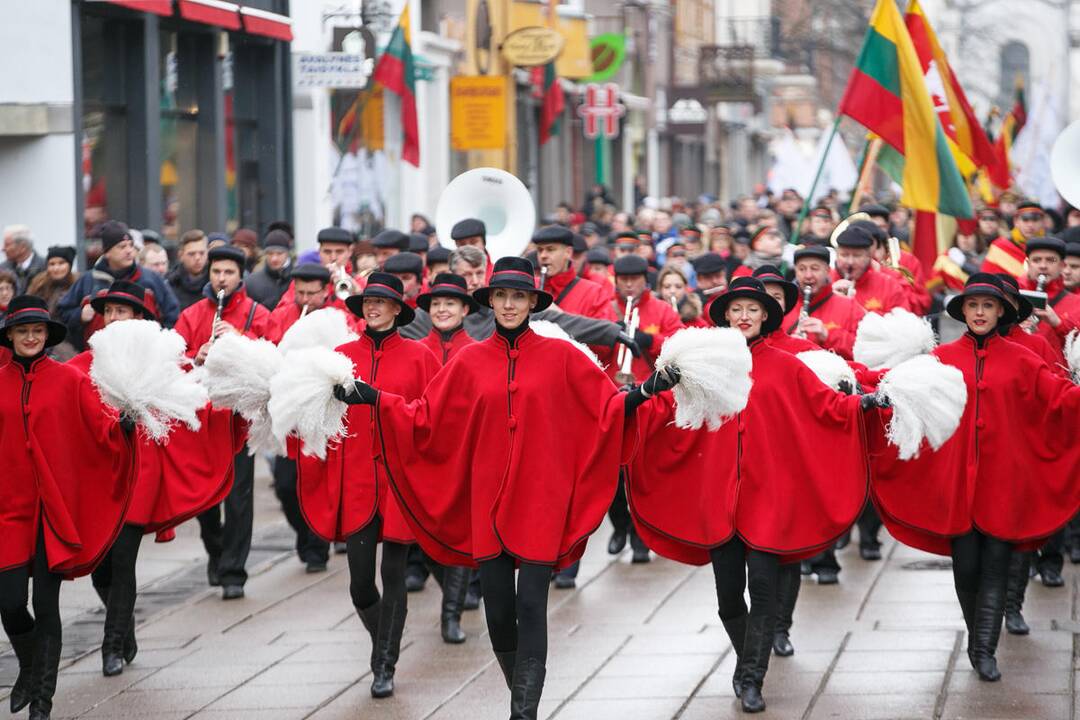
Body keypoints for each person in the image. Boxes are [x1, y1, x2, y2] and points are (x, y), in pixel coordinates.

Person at [340, 257, 637, 719]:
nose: (510, 304)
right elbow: (426, 419)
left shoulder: (561, 356)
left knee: (532, 603)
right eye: (502, 295)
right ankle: (520, 695)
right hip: (488, 502)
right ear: (491, 300)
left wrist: (644, 392)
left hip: (541, 497)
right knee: (498, 610)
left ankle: (524, 713)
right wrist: (377, 398)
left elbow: (606, 408)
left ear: (533, 302)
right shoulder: (468, 360)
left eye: (520, 296)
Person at [627, 277, 875, 713]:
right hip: (719, 500)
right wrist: (646, 393)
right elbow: (666, 410)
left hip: (767, 498)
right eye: (736, 309)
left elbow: (827, 406)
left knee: (763, 589)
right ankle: (751, 662)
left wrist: (864, 404)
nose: (744, 316)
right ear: (724, 315)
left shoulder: (787, 364)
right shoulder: (705, 363)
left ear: (765, 316)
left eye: (752, 309)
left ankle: (750, 678)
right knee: (728, 600)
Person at [869, 273, 1080, 682]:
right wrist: (869, 395)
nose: (980, 312)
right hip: (957, 482)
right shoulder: (942, 358)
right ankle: (976, 635)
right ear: (963, 311)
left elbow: (1060, 398)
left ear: (1001, 311)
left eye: (988, 305)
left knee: (997, 565)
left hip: (1005, 481)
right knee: (967, 568)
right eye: (973, 305)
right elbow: (902, 395)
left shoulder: (1023, 358)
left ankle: (985, 649)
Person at [67, 281, 243, 676]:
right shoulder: (86, 362)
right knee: (100, 566)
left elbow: (196, 395)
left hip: (140, 476)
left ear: (139, 318)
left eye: (122, 312)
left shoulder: (163, 359)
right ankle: (124, 629)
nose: (113, 318)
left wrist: (226, 382)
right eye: (108, 311)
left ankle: (111, 646)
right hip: (99, 478)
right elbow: (60, 394)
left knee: (124, 559)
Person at [297, 273, 441, 698]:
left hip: (400, 480)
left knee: (393, 573)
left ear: (398, 309)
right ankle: (387, 644)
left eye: (382, 302)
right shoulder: (340, 356)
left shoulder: (420, 357)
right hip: (356, 479)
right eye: (368, 302)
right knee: (360, 583)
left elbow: (430, 416)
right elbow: (317, 420)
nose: (373, 308)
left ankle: (384, 666)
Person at [0, 295, 137, 720]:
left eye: (37, 331)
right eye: (22, 331)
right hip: (8, 510)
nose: (30, 337)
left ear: (47, 335)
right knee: (8, 604)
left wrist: (123, 427)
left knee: (47, 604)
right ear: (10, 336)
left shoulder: (69, 380)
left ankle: (43, 699)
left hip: (52, 511)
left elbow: (101, 427)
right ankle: (28, 666)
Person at [174, 245, 270, 600]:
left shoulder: (257, 313)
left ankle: (234, 572)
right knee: (205, 496)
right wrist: (194, 355)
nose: (222, 279)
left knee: (239, 496)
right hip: (203, 416)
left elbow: (272, 354)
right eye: (216, 273)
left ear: (240, 276)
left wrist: (240, 340)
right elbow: (175, 358)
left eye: (229, 273)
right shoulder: (192, 314)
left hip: (241, 417)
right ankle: (216, 551)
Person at [410, 272, 478, 642]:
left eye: (450, 303)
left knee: (461, 534)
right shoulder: (417, 348)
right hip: (422, 454)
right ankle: (455, 591)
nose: (442, 310)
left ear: (465, 309)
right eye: (436, 304)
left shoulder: (478, 348)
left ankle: (450, 615)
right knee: (425, 534)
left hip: (463, 454)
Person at [264, 263, 337, 572]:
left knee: (320, 483)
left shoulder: (336, 319)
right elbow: (268, 354)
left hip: (323, 415)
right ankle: (304, 533)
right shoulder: (280, 317)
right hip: (289, 417)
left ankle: (317, 546)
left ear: (326, 292)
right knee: (285, 484)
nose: (305, 299)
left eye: (312, 293)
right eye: (300, 293)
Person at [58, 221, 180, 349]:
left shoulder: (151, 279)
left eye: (131, 245)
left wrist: (159, 344)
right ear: (107, 252)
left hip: (145, 356)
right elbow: (63, 313)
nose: (129, 251)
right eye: (122, 247)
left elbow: (172, 314)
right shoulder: (88, 280)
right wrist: (79, 316)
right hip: (97, 358)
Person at [783, 246, 866, 361]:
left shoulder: (850, 306)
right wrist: (788, 345)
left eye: (815, 269)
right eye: (802, 269)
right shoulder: (784, 306)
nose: (808, 275)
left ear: (827, 271)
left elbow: (865, 351)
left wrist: (827, 335)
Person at [1016, 236, 1080, 363]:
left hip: (1057, 377)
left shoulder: (1077, 302)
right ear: (1028, 264)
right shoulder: (1011, 297)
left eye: (1051, 260)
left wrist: (1058, 324)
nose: (1043, 266)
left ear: (1061, 266)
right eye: (1037, 260)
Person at [831, 225, 909, 314]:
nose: (850, 262)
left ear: (869, 256)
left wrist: (863, 315)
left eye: (857, 255)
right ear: (836, 255)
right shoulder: (825, 282)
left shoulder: (889, 285)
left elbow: (903, 323)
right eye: (844, 255)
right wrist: (829, 298)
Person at [981, 199, 1045, 277]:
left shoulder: (1049, 249)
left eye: (1035, 220)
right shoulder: (1000, 246)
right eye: (1025, 220)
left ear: (1042, 222)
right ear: (1016, 222)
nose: (1030, 225)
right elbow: (986, 278)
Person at [244, 229, 293, 309]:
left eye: (279, 253)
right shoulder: (251, 282)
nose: (274, 258)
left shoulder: (297, 280)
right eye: (270, 253)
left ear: (287, 253)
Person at [167, 230, 210, 310]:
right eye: (191, 254)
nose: (197, 258)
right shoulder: (170, 284)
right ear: (181, 255)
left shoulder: (215, 283)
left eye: (202, 253)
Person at [1, 226, 46, 294]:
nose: (3, 249)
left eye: (7, 245)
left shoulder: (46, 267)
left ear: (22, 247)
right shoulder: (2, 269)